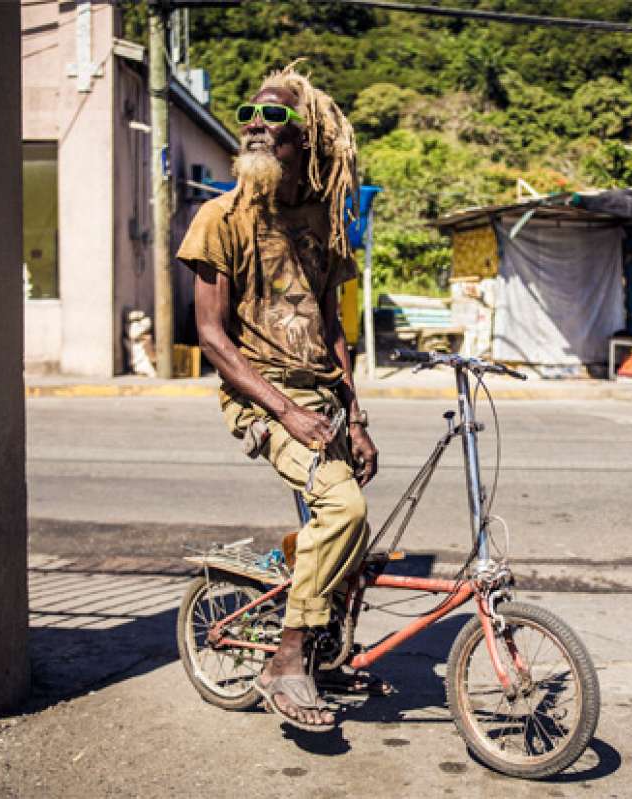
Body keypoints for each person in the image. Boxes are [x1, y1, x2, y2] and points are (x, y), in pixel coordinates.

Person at [177, 61, 377, 733]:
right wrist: (287, 410)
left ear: (308, 137)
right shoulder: (220, 216)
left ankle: (320, 642)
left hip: (322, 397)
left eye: (278, 116)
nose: (259, 123)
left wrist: (358, 416)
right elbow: (210, 334)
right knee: (342, 506)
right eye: (250, 114)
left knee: (357, 530)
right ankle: (287, 658)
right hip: (264, 398)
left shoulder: (325, 220)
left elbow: (334, 326)